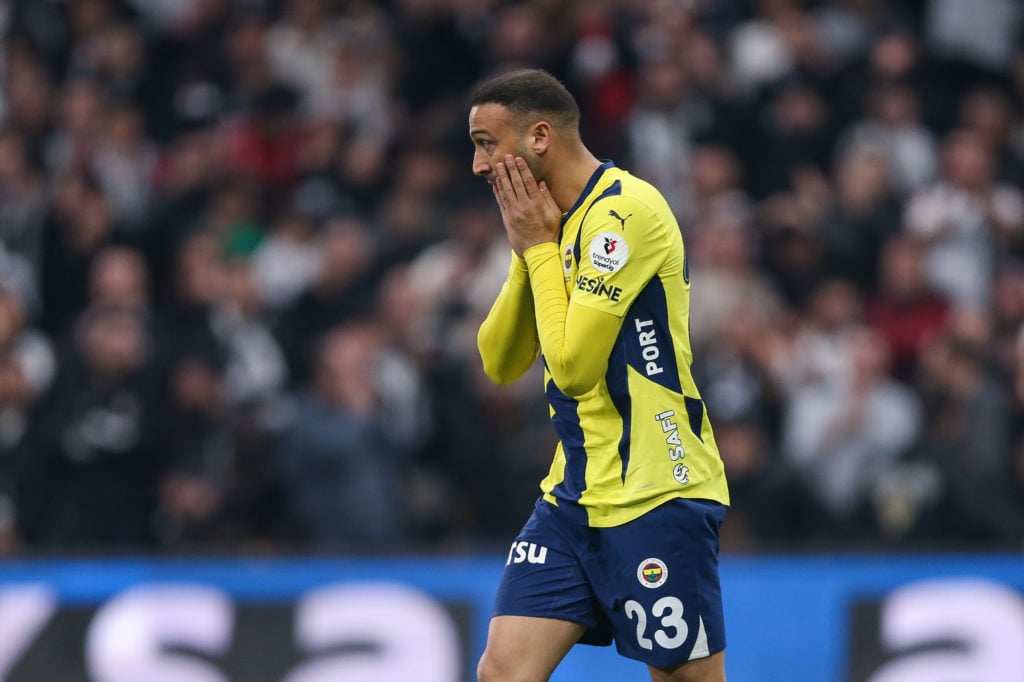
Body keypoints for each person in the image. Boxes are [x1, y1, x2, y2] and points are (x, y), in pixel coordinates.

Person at [470, 69, 730, 682]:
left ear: (539, 137)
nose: (479, 165)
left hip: (655, 491)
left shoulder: (627, 212)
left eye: (486, 143)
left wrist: (538, 249)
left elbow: (575, 369)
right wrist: (527, 252)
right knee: (503, 672)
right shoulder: (551, 224)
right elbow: (500, 363)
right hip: (574, 497)